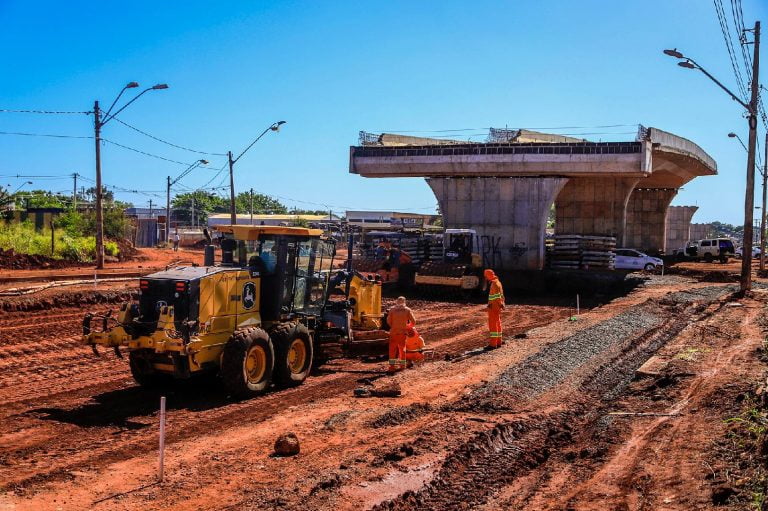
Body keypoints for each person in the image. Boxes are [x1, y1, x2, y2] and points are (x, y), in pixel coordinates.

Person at [386, 296, 416, 373]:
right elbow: (414, 321)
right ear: (404, 302)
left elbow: (388, 321)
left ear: (397, 301)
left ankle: (391, 367)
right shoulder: (407, 310)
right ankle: (402, 366)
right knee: (402, 350)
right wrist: (408, 327)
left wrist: (393, 326)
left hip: (393, 333)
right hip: (402, 333)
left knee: (392, 350)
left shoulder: (392, 309)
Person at [484, 269, 505, 349]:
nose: (485, 278)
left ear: (488, 276)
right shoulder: (498, 282)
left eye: (486, 276)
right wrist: (502, 304)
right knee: (498, 323)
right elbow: (501, 296)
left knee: (493, 325)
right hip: (497, 307)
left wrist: (499, 304)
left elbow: (497, 297)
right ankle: (499, 342)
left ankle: (493, 344)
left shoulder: (494, 284)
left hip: (494, 307)